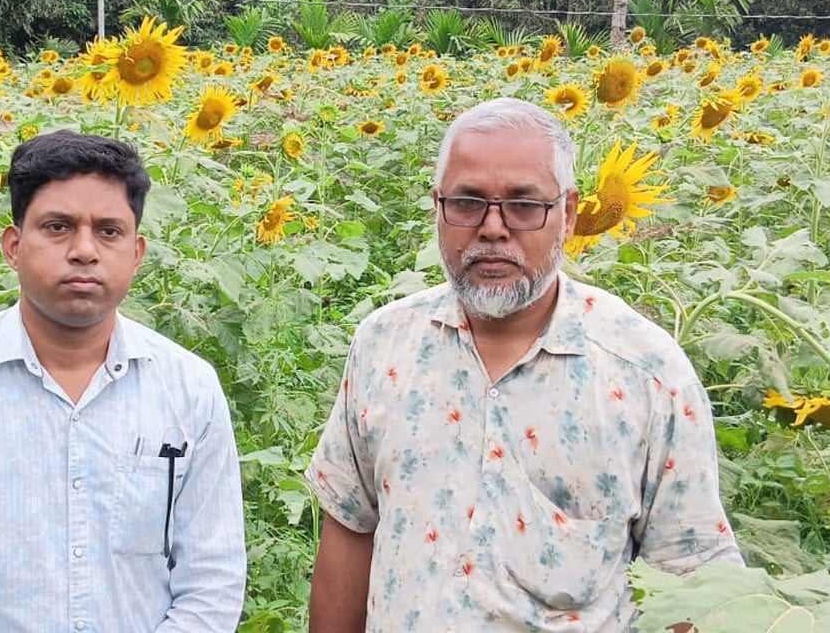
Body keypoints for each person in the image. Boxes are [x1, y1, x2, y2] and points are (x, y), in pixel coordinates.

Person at [306, 98, 742, 632]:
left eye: (523, 205)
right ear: (437, 206)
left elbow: (690, 584)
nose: (492, 228)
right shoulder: (383, 345)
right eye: (467, 202)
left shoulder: (645, 373)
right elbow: (351, 530)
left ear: (570, 213)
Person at [0, 130, 246, 632]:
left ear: (136, 253)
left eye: (109, 231)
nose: (84, 251)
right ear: (13, 246)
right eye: (58, 227)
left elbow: (212, 582)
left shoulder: (188, 390)